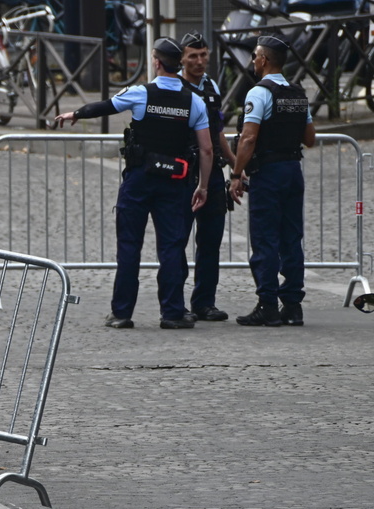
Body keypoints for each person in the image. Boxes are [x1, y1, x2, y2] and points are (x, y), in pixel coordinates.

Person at [55, 37, 213, 329]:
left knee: (129, 246)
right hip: (175, 181)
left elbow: (106, 106)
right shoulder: (194, 100)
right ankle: (172, 313)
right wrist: (202, 186)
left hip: (140, 178)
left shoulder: (141, 93)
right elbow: (206, 149)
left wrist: (75, 113)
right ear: (177, 64)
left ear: (156, 62)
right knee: (171, 247)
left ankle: (122, 313)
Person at [229, 34, 316, 326]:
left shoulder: (259, 92)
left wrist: (236, 173)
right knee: (291, 238)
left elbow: (248, 138)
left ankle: (267, 304)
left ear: (264, 60)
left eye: (255, 55)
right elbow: (310, 139)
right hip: (293, 170)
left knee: (265, 239)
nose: (254, 60)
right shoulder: (297, 93)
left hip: (268, 173)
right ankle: (292, 306)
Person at [178, 31, 237, 322]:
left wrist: (235, 166)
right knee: (176, 240)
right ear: (182, 58)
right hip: (182, 172)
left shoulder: (211, 86)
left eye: (203, 55)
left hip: (212, 172)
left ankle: (204, 302)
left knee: (211, 240)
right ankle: (175, 305)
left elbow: (218, 133)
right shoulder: (172, 86)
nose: (199, 61)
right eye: (193, 56)